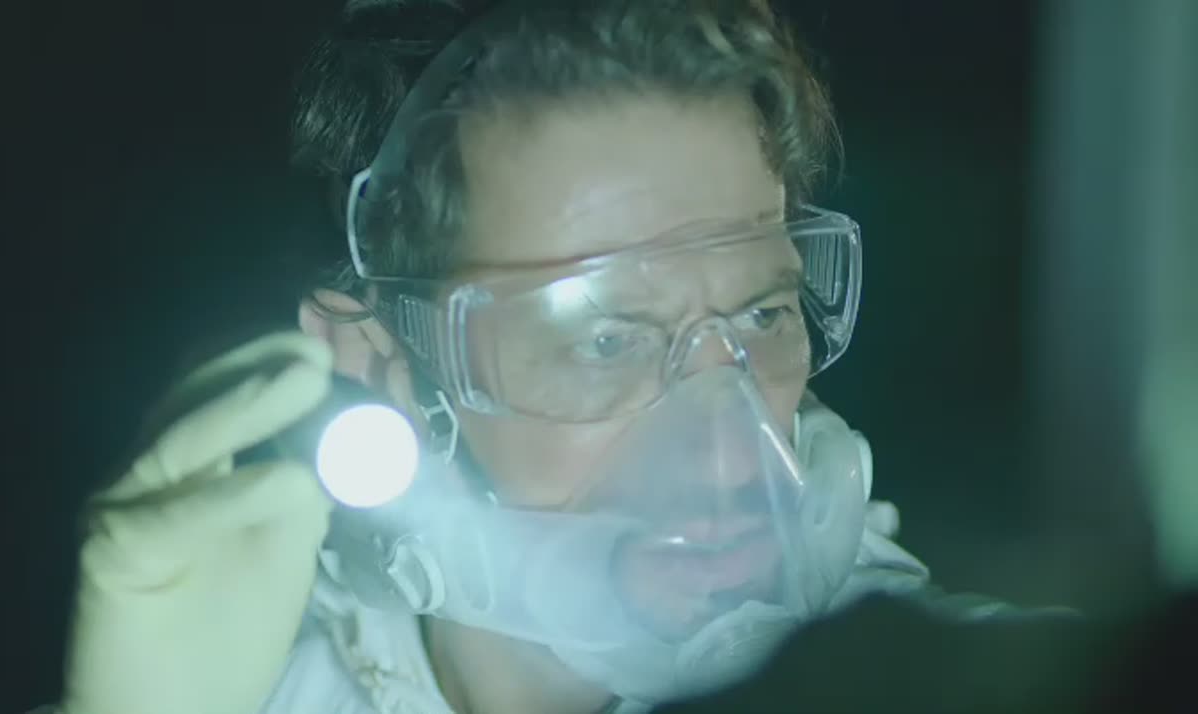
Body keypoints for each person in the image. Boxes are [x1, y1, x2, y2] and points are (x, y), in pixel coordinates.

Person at [53, 2, 1056, 714]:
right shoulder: (231, 681)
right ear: (377, 363)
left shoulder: (947, 681)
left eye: (761, 315)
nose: (727, 452)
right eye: (604, 341)